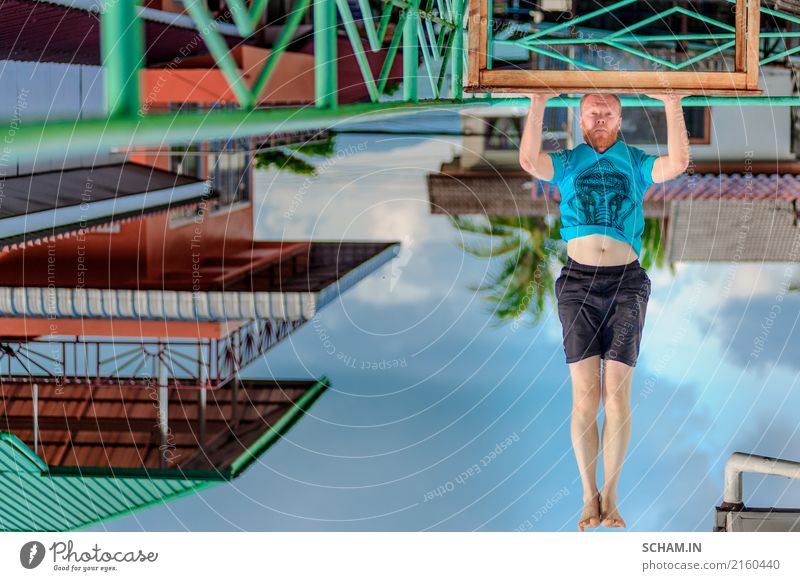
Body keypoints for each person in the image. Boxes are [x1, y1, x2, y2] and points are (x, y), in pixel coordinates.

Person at [519, 92, 689, 531]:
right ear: (579, 119)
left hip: (627, 283)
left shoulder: (633, 160)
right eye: (591, 111)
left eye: (607, 111)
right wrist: (537, 103)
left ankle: (610, 497)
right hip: (577, 285)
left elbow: (676, 166)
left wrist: (673, 103)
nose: (599, 116)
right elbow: (530, 164)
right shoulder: (569, 160)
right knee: (584, 397)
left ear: (619, 119)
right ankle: (587, 496)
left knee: (616, 395)